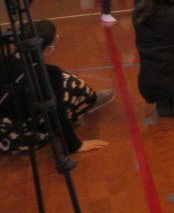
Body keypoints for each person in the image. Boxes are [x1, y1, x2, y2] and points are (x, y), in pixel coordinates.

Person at [0, 20, 112, 154]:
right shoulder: (49, 73)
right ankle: (90, 99)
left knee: (60, 80)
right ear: (48, 49)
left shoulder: (4, 61)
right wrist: (75, 145)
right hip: (19, 136)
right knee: (72, 83)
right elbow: (57, 111)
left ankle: (90, 99)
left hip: (3, 131)